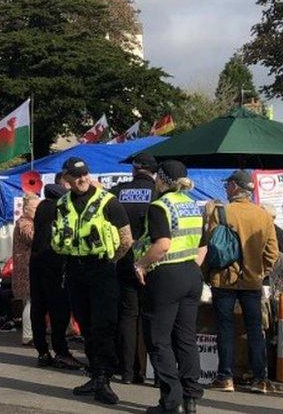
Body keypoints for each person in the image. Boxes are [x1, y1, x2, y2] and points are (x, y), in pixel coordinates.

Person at [51, 156, 133, 406]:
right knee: (85, 325)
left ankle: (104, 378)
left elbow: (126, 239)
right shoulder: (62, 203)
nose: (82, 179)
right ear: (66, 179)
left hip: (101, 269)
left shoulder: (109, 202)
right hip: (75, 269)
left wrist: (110, 261)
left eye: (84, 174)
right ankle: (95, 374)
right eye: (76, 177)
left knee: (103, 325)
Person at [133, 160, 204, 414]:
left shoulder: (160, 206)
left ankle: (171, 402)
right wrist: (190, 266)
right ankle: (191, 398)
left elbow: (162, 244)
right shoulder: (193, 205)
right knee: (186, 338)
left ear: (160, 180)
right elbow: (203, 246)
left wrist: (141, 265)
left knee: (158, 340)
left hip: (166, 277)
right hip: (191, 274)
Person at [204, 170, 278, 394]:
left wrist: (207, 274)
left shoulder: (221, 212)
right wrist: (259, 270)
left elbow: (211, 246)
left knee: (224, 329)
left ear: (235, 187)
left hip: (224, 280)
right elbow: (272, 252)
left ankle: (225, 377)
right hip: (252, 281)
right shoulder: (263, 215)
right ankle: (260, 379)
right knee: (255, 329)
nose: (225, 189)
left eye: (228, 185)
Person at [109, 152, 157, 385]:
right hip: (153, 262)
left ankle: (128, 372)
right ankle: (155, 373)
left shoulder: (118, 192)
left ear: (134, 169)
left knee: (128, 317)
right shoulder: (160, 193)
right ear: (154, 171)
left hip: (124, 260)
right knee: (154, 318)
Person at [30, 173, 82, 370]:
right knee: (58, 308)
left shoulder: (41, 208)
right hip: (55, 263)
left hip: (36, 263)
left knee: (38, 308)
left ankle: (42, 351)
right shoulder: (60, 208)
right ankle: (61, 351)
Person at [13, 193, 39, 345]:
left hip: (28, 266)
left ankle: (31, 334)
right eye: (35, 207)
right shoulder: (24, 222)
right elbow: (31, 237)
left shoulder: (26, 221)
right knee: (31, 301)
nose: (38, 210)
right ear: (26, 208)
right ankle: (28, 336)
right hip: (27, 267)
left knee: (32, 301)